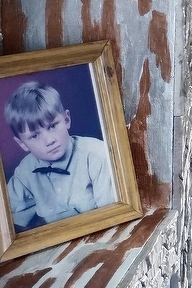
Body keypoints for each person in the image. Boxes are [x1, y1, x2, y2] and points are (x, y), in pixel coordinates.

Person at [5, 79, 116, 230]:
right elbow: (8, 213)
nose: (49, 140)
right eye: (34, 136)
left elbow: (113, 218)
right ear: (22, 144)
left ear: (66, 119)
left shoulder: (97, 156)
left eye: (52, 126)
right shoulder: (25, 170)